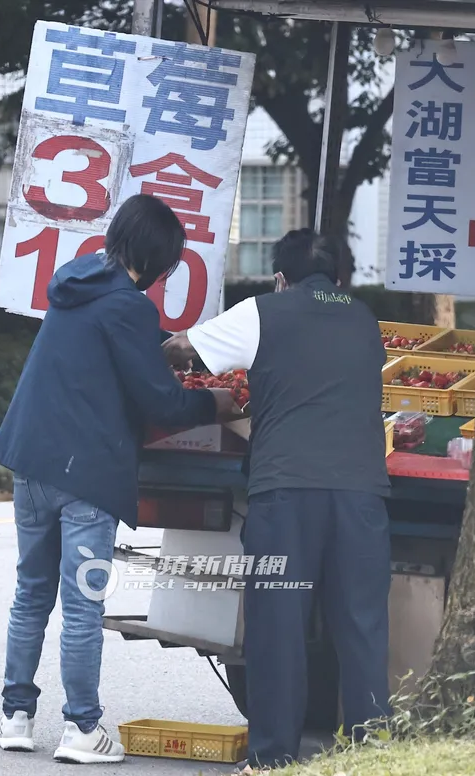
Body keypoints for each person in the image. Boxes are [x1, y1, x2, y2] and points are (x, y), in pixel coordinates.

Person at [0, 194, 240, 764]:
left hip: (31, 460)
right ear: (157, 258)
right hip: (86, 472)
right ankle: (82, 729)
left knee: (31, 594)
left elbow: (103, 359)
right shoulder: (128, 306)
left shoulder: (76, 284)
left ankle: (16, 716)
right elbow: (161, 402)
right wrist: (218, 404)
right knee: (81, 603)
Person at [163, 229, 392, 772]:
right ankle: (373, 756)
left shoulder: (265, 310)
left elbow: (181, 350)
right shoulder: (364, 319)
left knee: (278, 626)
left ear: (280, 277)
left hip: (287, 493)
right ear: (338, 277)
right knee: (361, 626)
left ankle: (273, 759)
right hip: (361, 493)